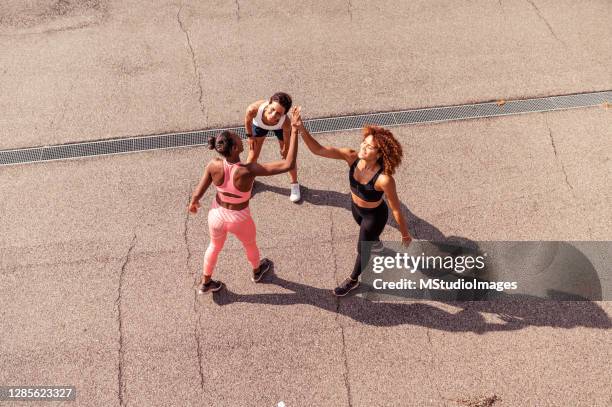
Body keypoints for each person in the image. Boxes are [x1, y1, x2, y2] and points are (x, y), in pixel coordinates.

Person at [189, 107, 302, 293]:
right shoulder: (248, 170)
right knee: (250, 245)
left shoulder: (213, 165)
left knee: (214, 246)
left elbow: (198, 192)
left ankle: (206, 282)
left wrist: (194, 202)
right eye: (238, 138)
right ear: (234, 148)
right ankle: (257, 271)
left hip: (216, 215)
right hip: (239, 218)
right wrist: (295, 130)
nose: (241, 138)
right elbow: (288, 164)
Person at [298, 122, 413, 296]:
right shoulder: (351, 157)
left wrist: (404, 234)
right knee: (369, 239)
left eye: (370, 147)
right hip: (356, 210)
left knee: (362, 248)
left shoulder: (384, 179)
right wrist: (301, 129)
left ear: (380, 153)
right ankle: (376, 244)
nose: (364, 148)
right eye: (364, 143)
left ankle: (353, 280)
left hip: (374, 217)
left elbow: (396, 209)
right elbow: (318, 150)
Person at [245, 92, 301, 202]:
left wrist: (285, 148)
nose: (273, 115)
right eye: (272, 110)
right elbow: (247, 120)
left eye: (279, 113)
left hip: (279, 128)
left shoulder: (285, 122)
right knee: (252, 156)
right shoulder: (253, 109)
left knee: (289, 157)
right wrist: (250, 136)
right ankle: (249, 181)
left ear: (284, 114)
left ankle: (295, 184)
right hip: (259, 124)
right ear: (269, 102)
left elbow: (287, 140)